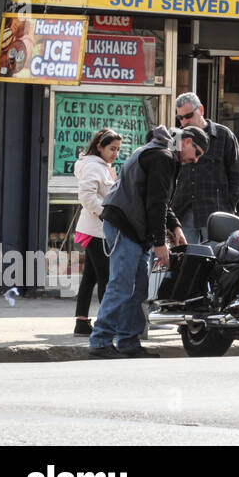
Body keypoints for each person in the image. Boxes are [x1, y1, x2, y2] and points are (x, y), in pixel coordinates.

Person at [88, 126, 206, 359]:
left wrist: (175, 226)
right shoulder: (162, 157)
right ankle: (101, 341)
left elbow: (159, 200)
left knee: (139, 287)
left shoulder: (162, 152)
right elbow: (155, 202)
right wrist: (160, 242)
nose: (195, 160)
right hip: (125, 226)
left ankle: (128, 341)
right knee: (121, 285)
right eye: (197, 152)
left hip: (133, 228)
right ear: (187, 142)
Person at [170, 92, 239, 245]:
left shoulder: (223, 135)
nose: (184, 121)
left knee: (215, 260)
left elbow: (237, 174)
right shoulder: (177, 137)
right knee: (185, 260)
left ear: (201, 110)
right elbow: (168, 173)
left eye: (188, 116)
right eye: (180, 118)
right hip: (183, 210)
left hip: (215, 211)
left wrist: (228, 206)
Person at [72, 128, 121, 336]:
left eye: (118, 149)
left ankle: (82, 323)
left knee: (90, 278)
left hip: (95, 229)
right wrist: (106, 214)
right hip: (97, 231)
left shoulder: (102, 166)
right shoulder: (94, 166)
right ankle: (106, 324)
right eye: (112, 148)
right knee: (106, 278)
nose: (115, 153)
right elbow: (87, 196)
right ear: (99, 146)